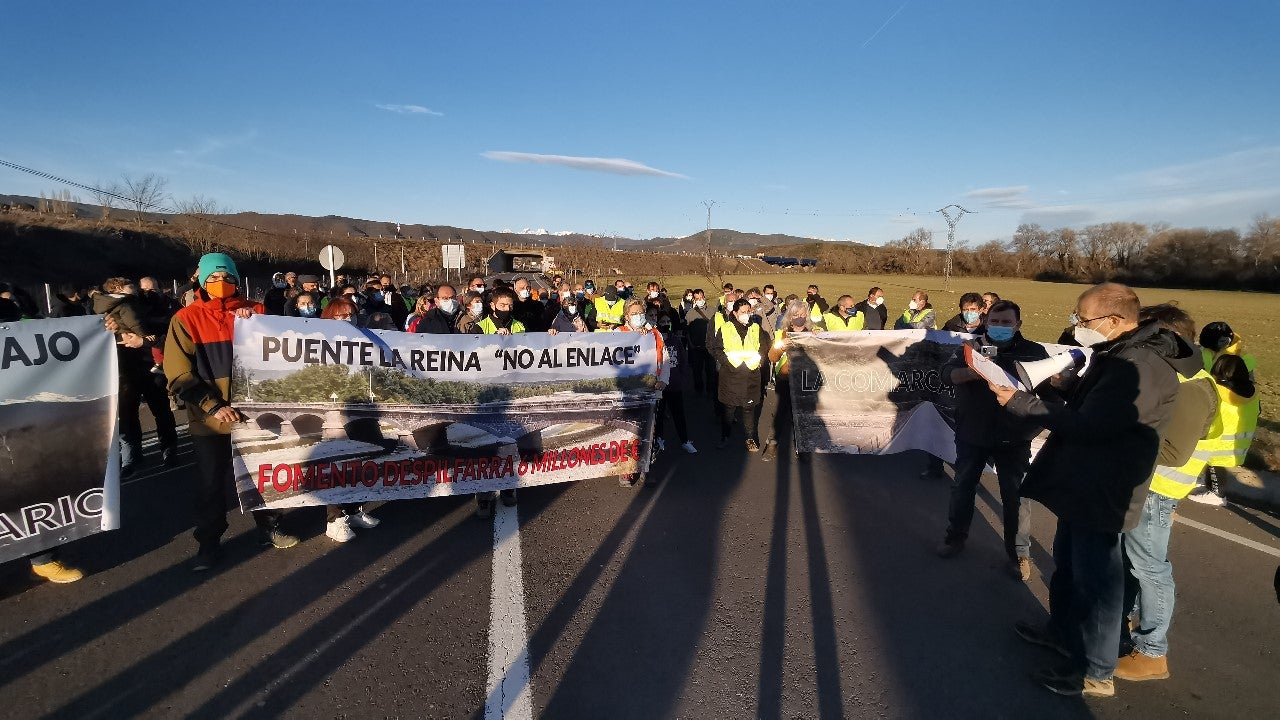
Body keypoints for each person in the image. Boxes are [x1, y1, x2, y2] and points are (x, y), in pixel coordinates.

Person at [992, 283, 1181, 698]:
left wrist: (1020, 403)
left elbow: (1093, 426)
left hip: (1104, 486)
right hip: (1083, 480)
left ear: (1114, 321)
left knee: (1099, 582)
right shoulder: (1120, 354)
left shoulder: (1142, 365)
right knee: (1070, 567)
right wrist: (1062, 387)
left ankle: (1095, 670)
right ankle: (1061, 632)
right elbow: (1093, 406)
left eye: (1084, 318)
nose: (1077, 325)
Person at [164, 253, 299, 571]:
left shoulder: (259, 311)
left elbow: (288, 354)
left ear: (237, 280)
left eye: (227, 278)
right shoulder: (186, 319)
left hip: (257, 415)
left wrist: (262, 325)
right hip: (211, 421)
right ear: (201, 281)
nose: (220, 284)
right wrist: (213, 406)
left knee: (264, 473)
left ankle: (269, 525)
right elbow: (178, 374)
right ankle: (209, 542)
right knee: (211, 483)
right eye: (213, 278)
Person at [1114, 303, 1217, 682]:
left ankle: (1152, 651)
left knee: (1150, 569)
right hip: (1143, 485)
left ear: (1169, 339)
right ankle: (1121, 632)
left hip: (1156, 490)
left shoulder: (1190, 386)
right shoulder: (1171, 376)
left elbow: (1173, 451)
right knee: (1130, 564)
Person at [936, 300, 1049, 582]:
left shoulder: (1034, 353)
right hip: (973, 433)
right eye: (995, 323)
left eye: (1006, 323)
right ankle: (955, 538)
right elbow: (945, 375)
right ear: (986, 323)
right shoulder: (969, 349)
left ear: (1018, 325)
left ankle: (1018, 553)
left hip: (1014, 437)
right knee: (963, 487)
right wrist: (972, 371)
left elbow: (1049, 391)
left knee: (1016, 497)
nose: (999, 328)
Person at [94, 277, 179, 476]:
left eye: (152, 289)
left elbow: (169, 330)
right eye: (144, 289)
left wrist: (148, 339)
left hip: (147, 366)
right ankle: (134, 456)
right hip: (128, 367)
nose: (148, 292)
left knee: (159, 410)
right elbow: (97, 334)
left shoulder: (158, 306)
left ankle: (165, 450)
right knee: (130, 414)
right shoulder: (114, 310)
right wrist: (113, 333)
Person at [317, 296, 382, 542]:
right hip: (340, 409)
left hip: (366, 408)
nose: (347, 319)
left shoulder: (367, 339)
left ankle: (355, 508)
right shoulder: (321, 342)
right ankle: (334, 519)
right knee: (342, 461)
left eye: (350, 315)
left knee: (369, 455)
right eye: (340, 316)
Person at [1186, 353, 1261, 506]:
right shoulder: (1254, 393)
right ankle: (1208, 484)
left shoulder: (1217, 390)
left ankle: (1217, 494)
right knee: (1215, 463)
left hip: (1218, 442)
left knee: (1214, 462)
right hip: (1239, 444)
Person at [475, 288, 522, 515]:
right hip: (486, 393)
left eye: (510, 305)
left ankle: (507, 487)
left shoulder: (519, 325)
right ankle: (483, 494)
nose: (507, 309)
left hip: (511, 391)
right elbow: (472, 355)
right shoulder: (480, 327)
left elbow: (529, 350)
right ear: (493, 306)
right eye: (503, 305)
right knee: (484, 445)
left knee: (509, 442)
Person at [710, 298, 768, 451]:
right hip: (731, 374)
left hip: (751, 374)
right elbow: (717, 349)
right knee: (729, 408)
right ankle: (725, 435)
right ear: (735, 313)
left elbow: (763, 347)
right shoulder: (726, 328)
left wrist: (759, 361)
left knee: (749, 409)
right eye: (743, 312)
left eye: (749, 312)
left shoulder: (756, 327)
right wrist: (728, 363)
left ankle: (750, 438)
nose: (746, 315)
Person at [762, 299, 816, 461]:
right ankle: (772, 443)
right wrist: (780, 346)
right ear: (789, 317)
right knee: (780, 413)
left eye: (802, 314)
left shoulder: (813, 333)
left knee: (803, 415)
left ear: (806, 316)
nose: (799, 317)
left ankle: (803, 447)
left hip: (805, 379)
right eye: (795, 315)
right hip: (785, 379)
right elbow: (772, 357)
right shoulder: (781, 334)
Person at [654, 314, 695, 454]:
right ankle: (659, 439)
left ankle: (684, 440)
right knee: (658, 415)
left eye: (668, 321)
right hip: (659, 384)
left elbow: (683, 360)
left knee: (679, 414)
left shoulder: (675, 340)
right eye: (662, 321)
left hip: (675, 384)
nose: (665, 323)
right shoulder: (653, 340)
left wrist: (682, 378)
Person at [684, 289, 716, 394]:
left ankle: (710, 390)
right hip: (696, 348)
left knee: (710, 371)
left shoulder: (713, 311)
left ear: (704, 297)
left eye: (701, 298)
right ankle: (699, 390)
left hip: (709, 347)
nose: (699, 300)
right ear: (694, 299)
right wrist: (691, 345)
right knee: (697, 371)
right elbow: (687, 331)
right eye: (697, 299)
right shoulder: (690, 313)